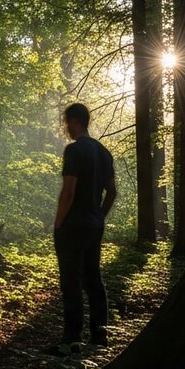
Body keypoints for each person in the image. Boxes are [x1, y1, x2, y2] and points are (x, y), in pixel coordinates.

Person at [52, 102, 116, 353]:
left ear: (74, 121)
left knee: (71, 280)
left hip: (73, 225)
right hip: (94, 225)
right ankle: (100, 337)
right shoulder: (103, 152)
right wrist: (100, 215)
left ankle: (71, 340)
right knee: (93, 280)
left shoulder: (75, 150)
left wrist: (59, 223)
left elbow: (69, 190)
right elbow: (112, 191)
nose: (66, 128)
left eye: (67, 122)